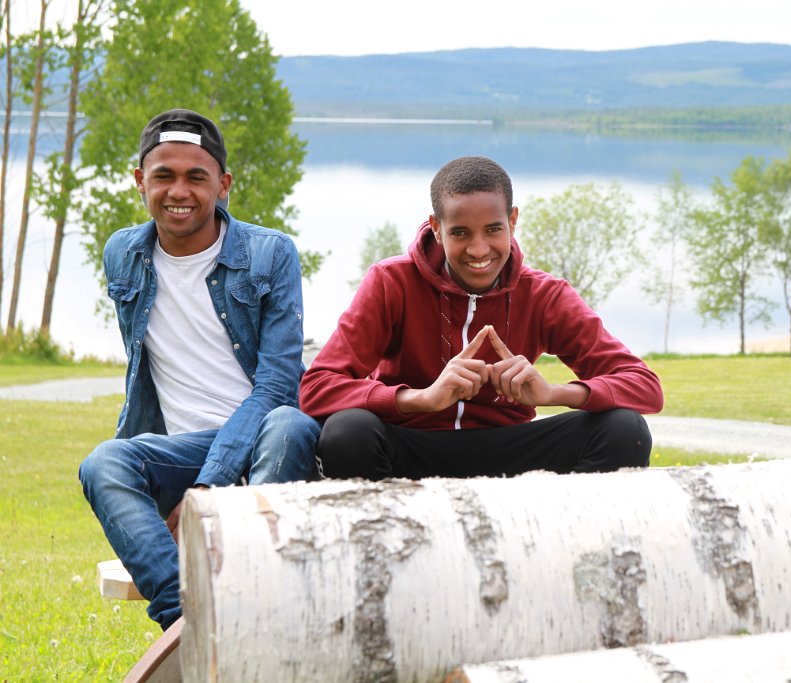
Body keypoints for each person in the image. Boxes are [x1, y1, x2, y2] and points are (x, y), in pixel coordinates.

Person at [78, 109, 319, 630]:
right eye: (163, 175)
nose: (178, 191)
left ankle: (245, 597)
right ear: (140, 180)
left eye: (196, 176)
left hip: (262, 450)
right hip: (179, 455)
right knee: (104, 462)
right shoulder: (122, 253)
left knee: (290, 423)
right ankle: (186, 622)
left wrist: (208, 490)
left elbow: (278, 387)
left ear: (223, 185)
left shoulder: (270, 254)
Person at [300, 155, 662, 480]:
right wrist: (421, 398)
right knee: (348, 432)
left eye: (493, 229)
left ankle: (557, 528)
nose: (478, 250)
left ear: (513, 221)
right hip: (413, 446)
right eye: (460, 233)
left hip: (510, 449)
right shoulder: (391, 282)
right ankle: (393, 529)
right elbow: (317, 388)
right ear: (436, 227)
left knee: (625, 430)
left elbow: (645, 386)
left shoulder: (544, 294)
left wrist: (553, 393)